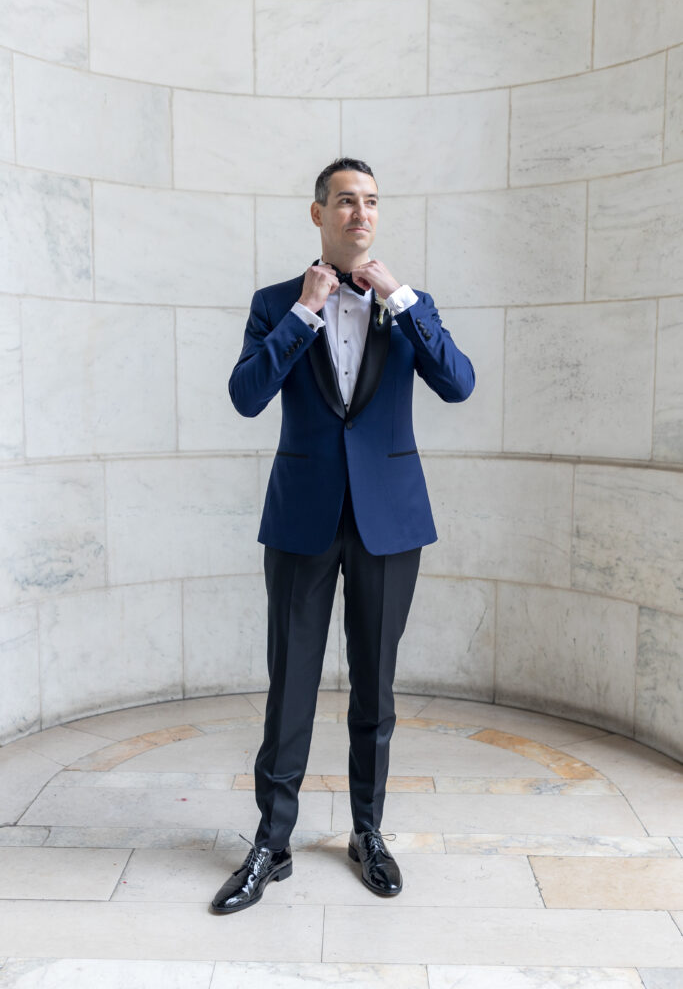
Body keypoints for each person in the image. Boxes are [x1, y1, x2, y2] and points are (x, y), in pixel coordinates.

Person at [211, 157, 475, 915]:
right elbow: (244, 397)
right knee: (289, 683)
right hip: (302, 517)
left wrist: (401, 298)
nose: (361, 214)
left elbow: (457, 382)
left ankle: (368, 832)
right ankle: (271, 843)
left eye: (371, 203)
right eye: (347, 202)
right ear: (318, 213)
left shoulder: (403, 304)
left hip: (389, 522)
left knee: (375, 687)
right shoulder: (274, 303)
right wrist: (302, 313)